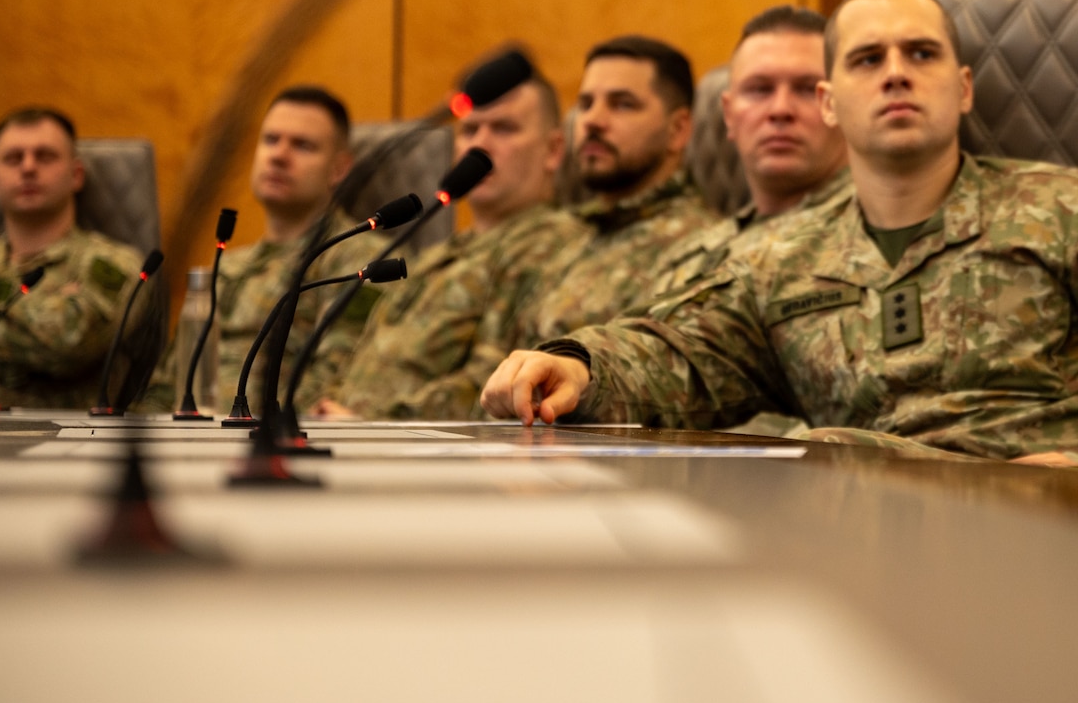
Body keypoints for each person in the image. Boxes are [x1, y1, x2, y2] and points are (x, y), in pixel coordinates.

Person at [480, 0, 1078, 459]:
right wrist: (579, 365)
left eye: (921, 54)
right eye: (868, 59)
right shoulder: (781, 258)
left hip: (1056, 530)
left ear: (963, 86)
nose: (895, 73)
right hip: (857, 533)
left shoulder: (1072, 211)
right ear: (831, 101)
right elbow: (680, 352)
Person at [320, 64, 583, 420]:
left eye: (503, 128)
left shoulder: (555, 246)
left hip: (424, 454)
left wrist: (372, 422)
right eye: (470, 129)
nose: (480, 144)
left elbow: (492, 384)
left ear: (553, 151)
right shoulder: (436, 254)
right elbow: (361, 358)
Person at [631, 5, 852, 315]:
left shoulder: (870, 234)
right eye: (760, 89)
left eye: (805, 89)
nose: (780, 109)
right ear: (729, 114)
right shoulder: (688, 258)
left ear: (841, 104)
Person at [504, 35, 718, 343]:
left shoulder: (700, 249)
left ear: (678, 130)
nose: (592, 120)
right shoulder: (557, 238)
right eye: (586, 103)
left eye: (622, 104)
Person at [0, 108, 142, 409]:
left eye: (44, 156)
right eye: (13, 158)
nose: (28, 167)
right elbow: (50, 331)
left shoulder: (113, 263)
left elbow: (68, 343)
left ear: (76, 174)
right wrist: (40, 314)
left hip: (62, 441)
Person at [216, 85, 367, 411]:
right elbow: (170, 380)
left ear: (339, 169)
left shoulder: (357, 257)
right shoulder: (227, 265)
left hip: (274, 441)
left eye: (302, 145)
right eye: (270, 140)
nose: (279, 156)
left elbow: (336, 382)